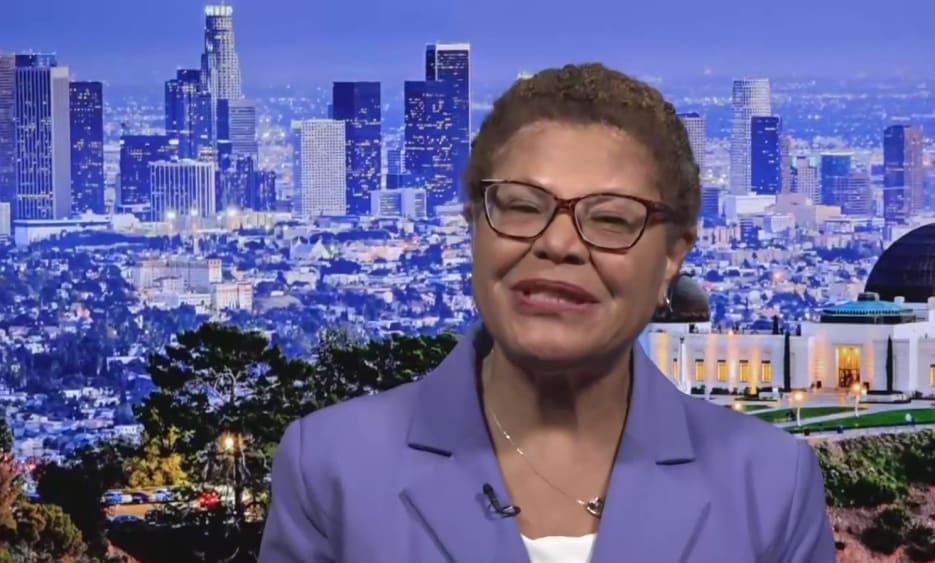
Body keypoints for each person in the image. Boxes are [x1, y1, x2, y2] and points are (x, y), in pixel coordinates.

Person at [259, 64, 837, 562]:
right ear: (474, 226)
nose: (558, 243)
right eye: (521, 206)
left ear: (672, 258)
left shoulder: (768, 487)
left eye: (610, 218)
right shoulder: (332, 470)